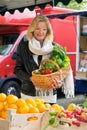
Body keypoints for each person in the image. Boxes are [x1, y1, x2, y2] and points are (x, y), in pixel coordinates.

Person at [14, 14, 74, 103]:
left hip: (49, 96)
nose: (40, 32)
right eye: (37, 28)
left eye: (44, 29)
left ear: (47, 31)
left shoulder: (55, 48)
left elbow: (62, 71)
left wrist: (59, 83)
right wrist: (30, 78)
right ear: (32, 29)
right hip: (29, 95)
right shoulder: (23, 47)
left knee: (48, 117)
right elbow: (17, 70)